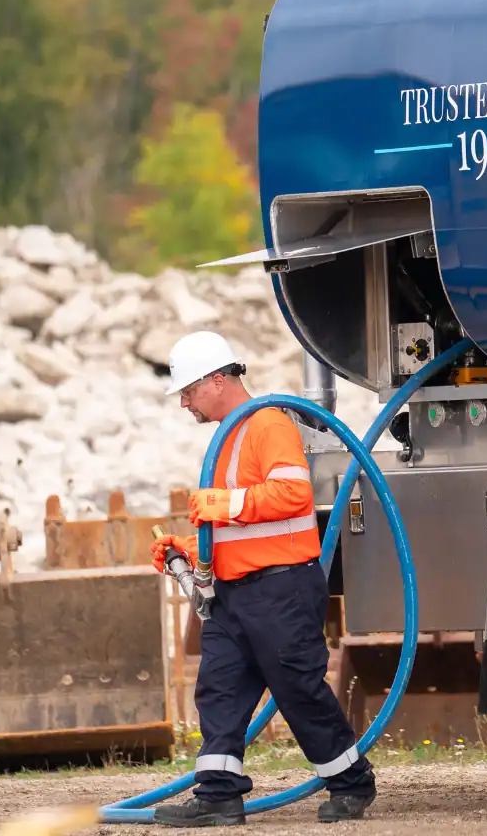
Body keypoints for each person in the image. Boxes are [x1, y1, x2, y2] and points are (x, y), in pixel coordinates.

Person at [150, 330, 375, 827]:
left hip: (281, 589)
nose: (184, 402)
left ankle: (352, 782)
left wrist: (224, 505)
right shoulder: (229, 437)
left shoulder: (267, 425)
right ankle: (218, 796)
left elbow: (292, 495)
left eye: (188, 390)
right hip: (237, 591)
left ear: (216, 380)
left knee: (297, 689)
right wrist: (187, 551)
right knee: (220, 689)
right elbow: (238, 528)